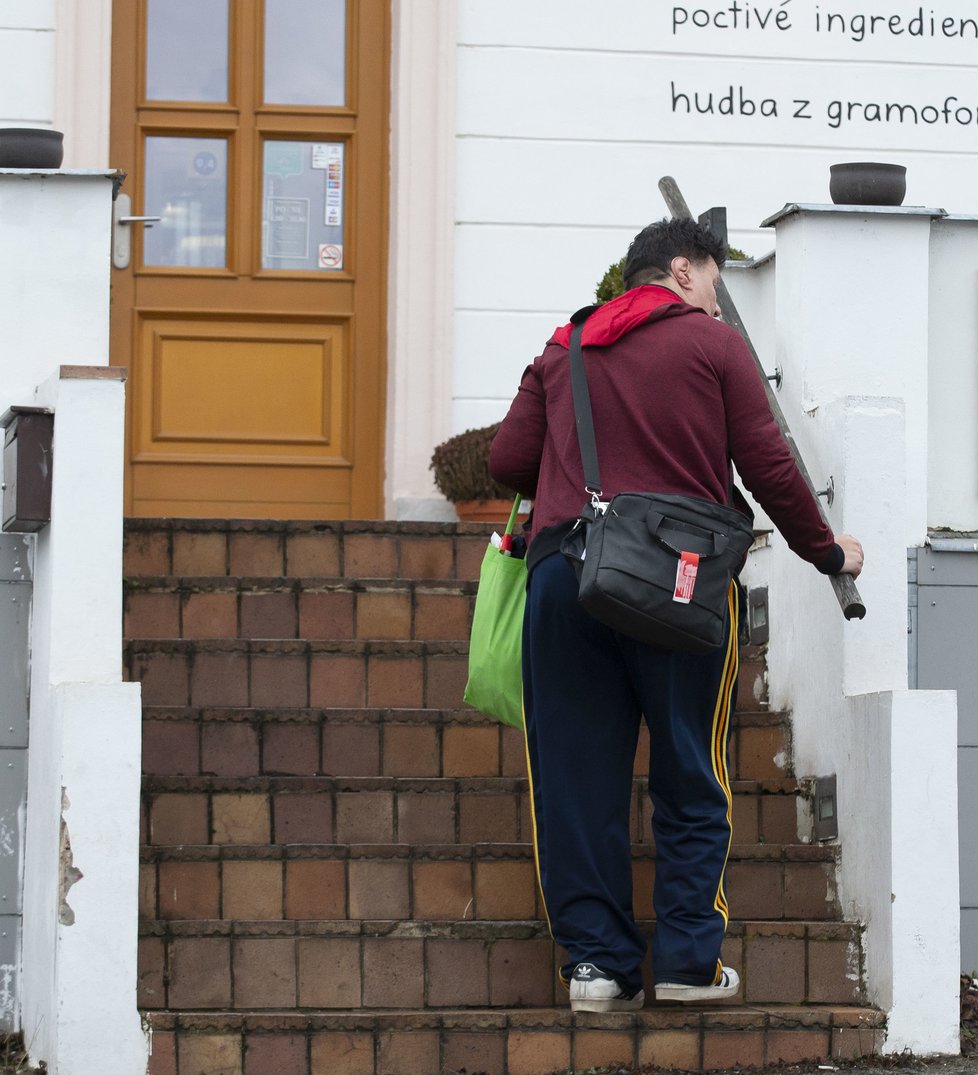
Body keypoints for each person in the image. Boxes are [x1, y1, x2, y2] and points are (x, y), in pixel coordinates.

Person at [489, 217, 863, 1013]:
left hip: (569, 576)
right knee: (691, 767)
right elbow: (768, 465)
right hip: (680, 580)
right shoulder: (713, 344)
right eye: (714, 279)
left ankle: (596, 967)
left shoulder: (565, 345)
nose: (717, 295)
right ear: (687, 271)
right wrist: (828, 552)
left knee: (575, 777)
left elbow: (508, 461)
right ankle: (690, 959)